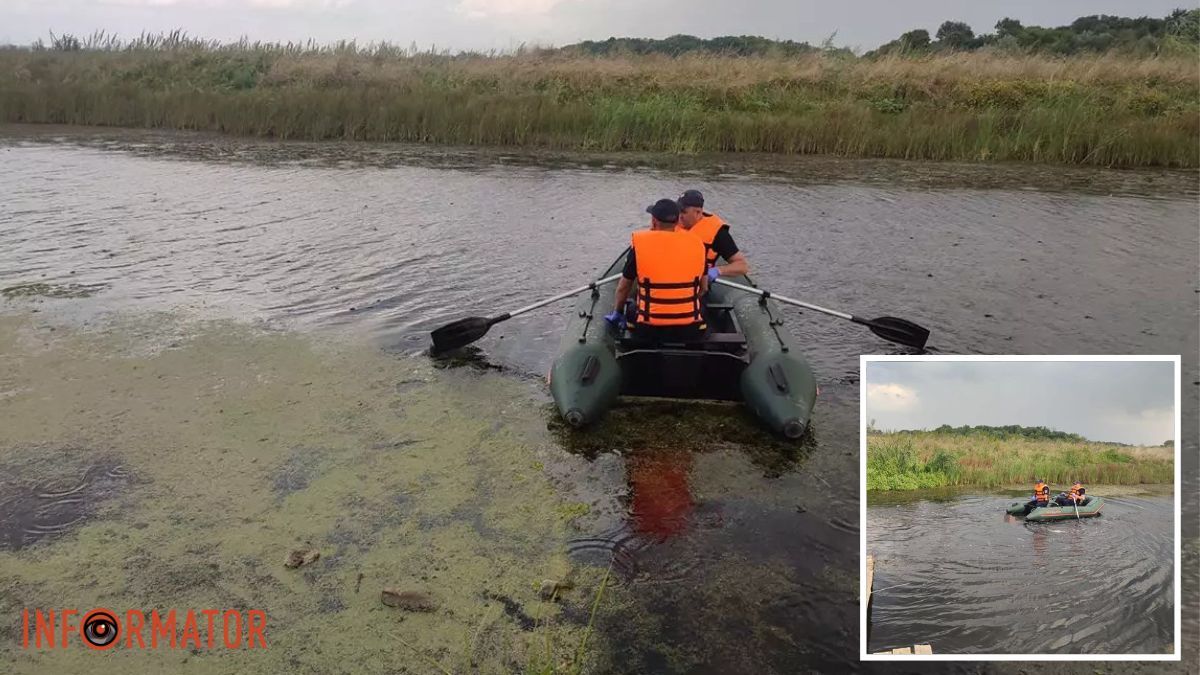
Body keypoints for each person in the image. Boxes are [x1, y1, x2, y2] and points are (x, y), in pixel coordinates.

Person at [605, 199, 708, 340]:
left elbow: (623, 288)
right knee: (702, 308)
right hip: (689, 329)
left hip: (649, 329)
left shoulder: (640, 245)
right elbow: (703, 288)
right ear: (678, 221)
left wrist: (617, 311)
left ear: (654, 221)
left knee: (631, 308)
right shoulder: (697, 244)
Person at [676, 189, 750, 283]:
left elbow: (742, 265)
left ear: (698, 212)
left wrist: (717, 271)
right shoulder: (671, 223)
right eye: (678, 210)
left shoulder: (717, 232)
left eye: (683, 212)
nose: (679, 215)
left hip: (698, 283)